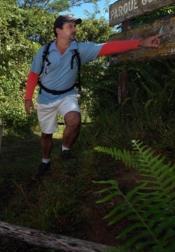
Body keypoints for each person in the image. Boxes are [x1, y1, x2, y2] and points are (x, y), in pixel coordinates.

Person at [25, 14, 163, 180]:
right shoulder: (44, 51)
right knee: (46, 134)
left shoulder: (80, 49)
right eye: (70, 26)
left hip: (68, 95)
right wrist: (28, 98)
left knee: (74, 120)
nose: (74, 29)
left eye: (74, 26)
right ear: (58, 31)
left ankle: (65, 151)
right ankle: (45, 162)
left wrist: (140, 43)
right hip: (46, 98)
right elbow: (33, 74)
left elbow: (108, 47)